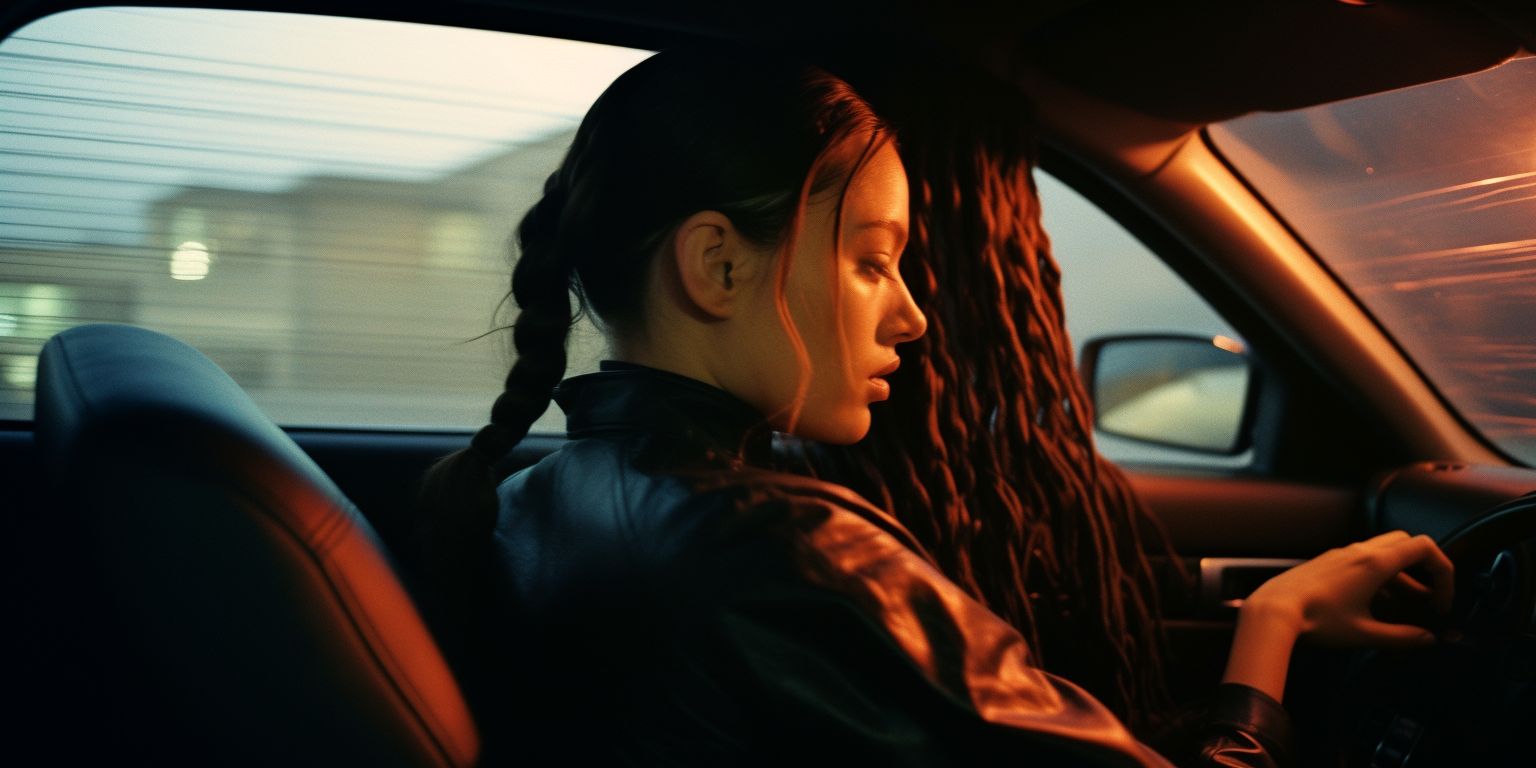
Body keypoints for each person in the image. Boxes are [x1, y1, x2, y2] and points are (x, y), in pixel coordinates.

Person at [413, 48, 1453, 767]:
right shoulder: (784, 550)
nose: (913, 317)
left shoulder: (535, 496)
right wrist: (1274, 627)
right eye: (874, 262)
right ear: (719, 264)